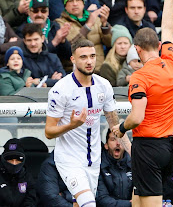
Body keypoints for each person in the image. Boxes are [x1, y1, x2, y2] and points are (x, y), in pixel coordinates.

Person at [112, 0, 173, 206]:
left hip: (147, 147)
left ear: (137, 49)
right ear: (159, 46)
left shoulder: (139, 76)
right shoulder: (170, 62)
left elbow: (137, 116)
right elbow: (169, 28)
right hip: (168, 146)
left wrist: (120, 129)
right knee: (137, 201)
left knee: (149, 202)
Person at [45, 39, 130, 207]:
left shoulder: (103, 85)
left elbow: (115, 126)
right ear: (73, 60)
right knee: (89, 204)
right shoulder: (60, 89)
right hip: (69, 159)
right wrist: (71, 125)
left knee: (80, 204)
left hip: (94, 160)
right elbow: (49, 132)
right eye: (83, 57)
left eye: (92, 56)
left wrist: (133, 152)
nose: (89, 61)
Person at [56, 0, 112, 73]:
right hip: (75, 70)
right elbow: (70, 48)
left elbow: (109, 43)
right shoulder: (60, 23)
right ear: (65, 6)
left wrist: (104, 25)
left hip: (98, 69)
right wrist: (88, 26)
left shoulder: (95, 19)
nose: (75, 4)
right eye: (70, 1)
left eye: (78, 0)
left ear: (83, 3)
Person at [16, 0, 72, 68]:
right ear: (29, 12)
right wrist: (54, 42)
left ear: (48, 12)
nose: (39, 14)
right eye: (35, 11)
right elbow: (33, 54)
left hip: (56, 68)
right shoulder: (22, 30)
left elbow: (68, 55)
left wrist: (63, 41)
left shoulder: (54, 26)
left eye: (43, 11)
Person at [96, 129, 133, 206]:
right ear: (106, 145)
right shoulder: (99, 166)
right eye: (113, 140)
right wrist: (131, 204)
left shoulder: (134, 165)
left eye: (121, 139)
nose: (118, 143)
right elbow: (102, 199)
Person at [0, 138, 37, 206]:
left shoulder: (27, 176)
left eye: (17, 160)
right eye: (10, 160)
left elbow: (30, 200)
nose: (14, 163)